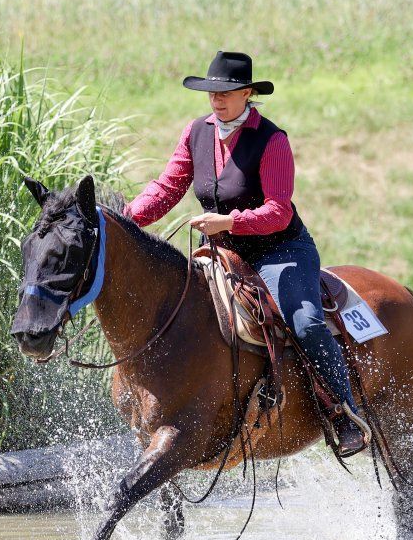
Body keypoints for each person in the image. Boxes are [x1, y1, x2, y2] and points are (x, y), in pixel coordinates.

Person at [122, 50, 370, 457]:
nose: (217, 100)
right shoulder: (196, 132)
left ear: (248, 93)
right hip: (224, 252)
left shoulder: (272, 140)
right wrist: (123, 218)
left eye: (227, 92)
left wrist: (228, 223)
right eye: (211, 93)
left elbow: (278, 211)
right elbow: (167, 189)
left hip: (280, 250)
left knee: (305, 321)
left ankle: (344, 413)